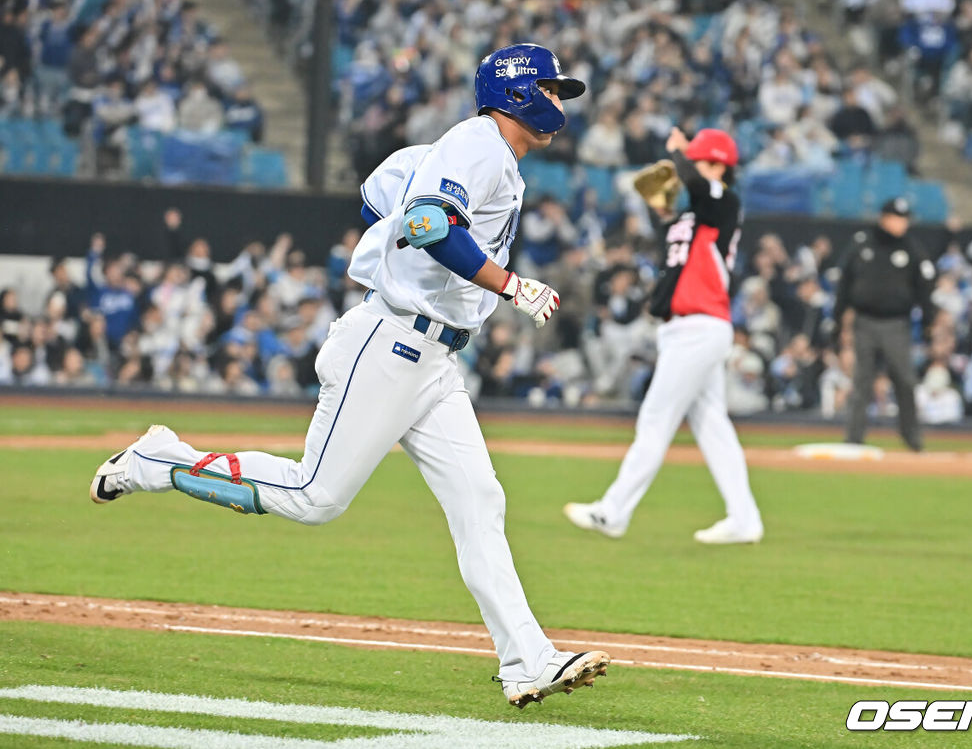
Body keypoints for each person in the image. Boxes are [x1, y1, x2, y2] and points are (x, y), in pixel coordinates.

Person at [87, 43, 609, 709]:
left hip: (433, 358)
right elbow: (425, 222)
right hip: (390, 341)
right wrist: (510, 285)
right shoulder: (478, 145)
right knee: (314, 495)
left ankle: (528, 661)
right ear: (516, 93)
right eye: (551, 88)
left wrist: (404, 226)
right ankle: (160, 460)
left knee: (481, 501)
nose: (560, 103)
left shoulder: (481, 156)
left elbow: (382, 203)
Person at [564, 127, 764, 545]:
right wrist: (660, 206)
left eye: (700, 160)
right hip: (685, 327)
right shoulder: (690, 215)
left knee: (655, 419)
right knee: (712, 424)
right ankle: (744, 518)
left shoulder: (724, 204)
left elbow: (699, 190)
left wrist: (679, 151)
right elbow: (674, 243)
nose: (690, 166)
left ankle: (613, 511)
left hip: (700, 325)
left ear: (719, 166)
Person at [833, 197, 936, 450]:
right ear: (884, 218)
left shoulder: (912, 248)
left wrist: (928, 322)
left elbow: (924, 288)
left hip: (896, 324)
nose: (901, 224)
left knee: (905, 379)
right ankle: (854, 437)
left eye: (904, 219)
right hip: (864, 321)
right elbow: (844, 284)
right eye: (897, 218)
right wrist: (837, 320)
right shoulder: (862, 244)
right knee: (862, 382)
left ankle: (911, 436)